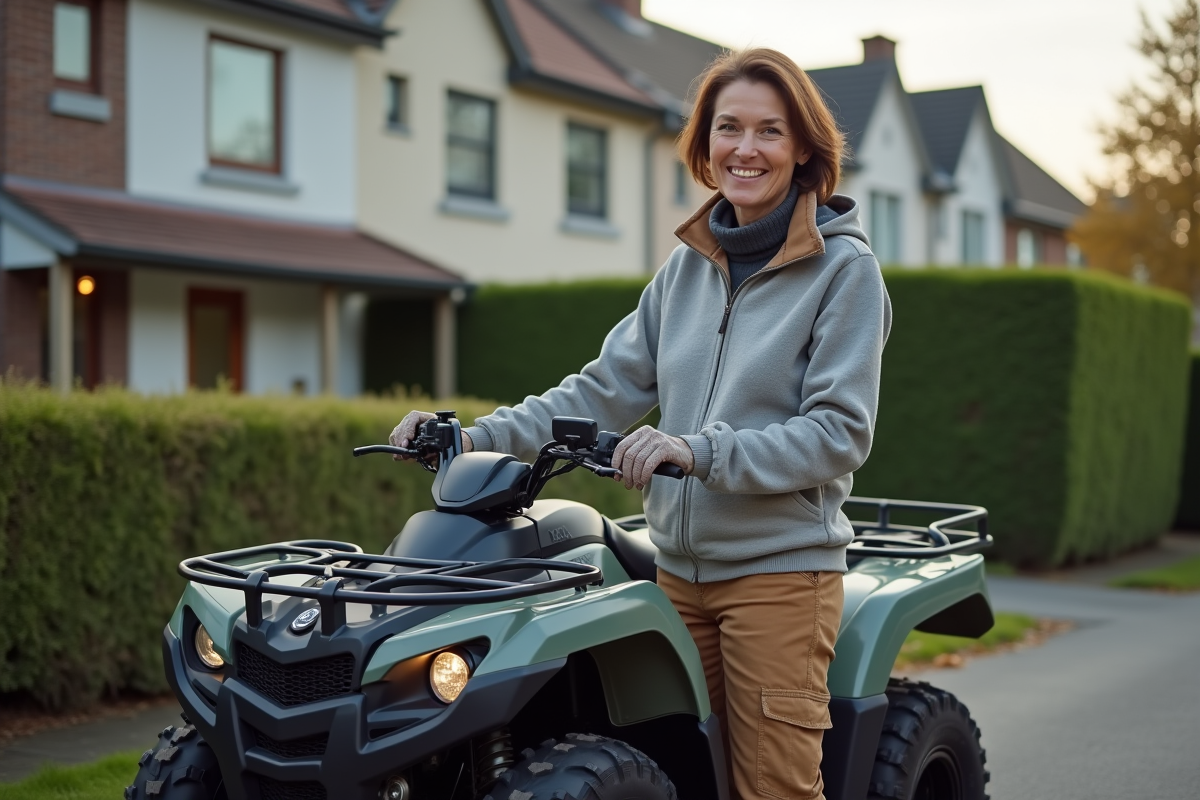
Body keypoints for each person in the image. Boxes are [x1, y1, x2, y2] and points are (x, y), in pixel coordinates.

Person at [391, 47, 891, 800]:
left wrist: (695, 451)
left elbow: (837, 433)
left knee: (773, 789)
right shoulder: (687, 266)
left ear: (804, 150)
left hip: (779, 580)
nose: (745, 150)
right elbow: (600, 391)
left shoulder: (845, 273)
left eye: (769, 131)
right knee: (665, 777)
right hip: (673, 576)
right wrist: (468, 438)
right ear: (705, 142)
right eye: (729, 128)